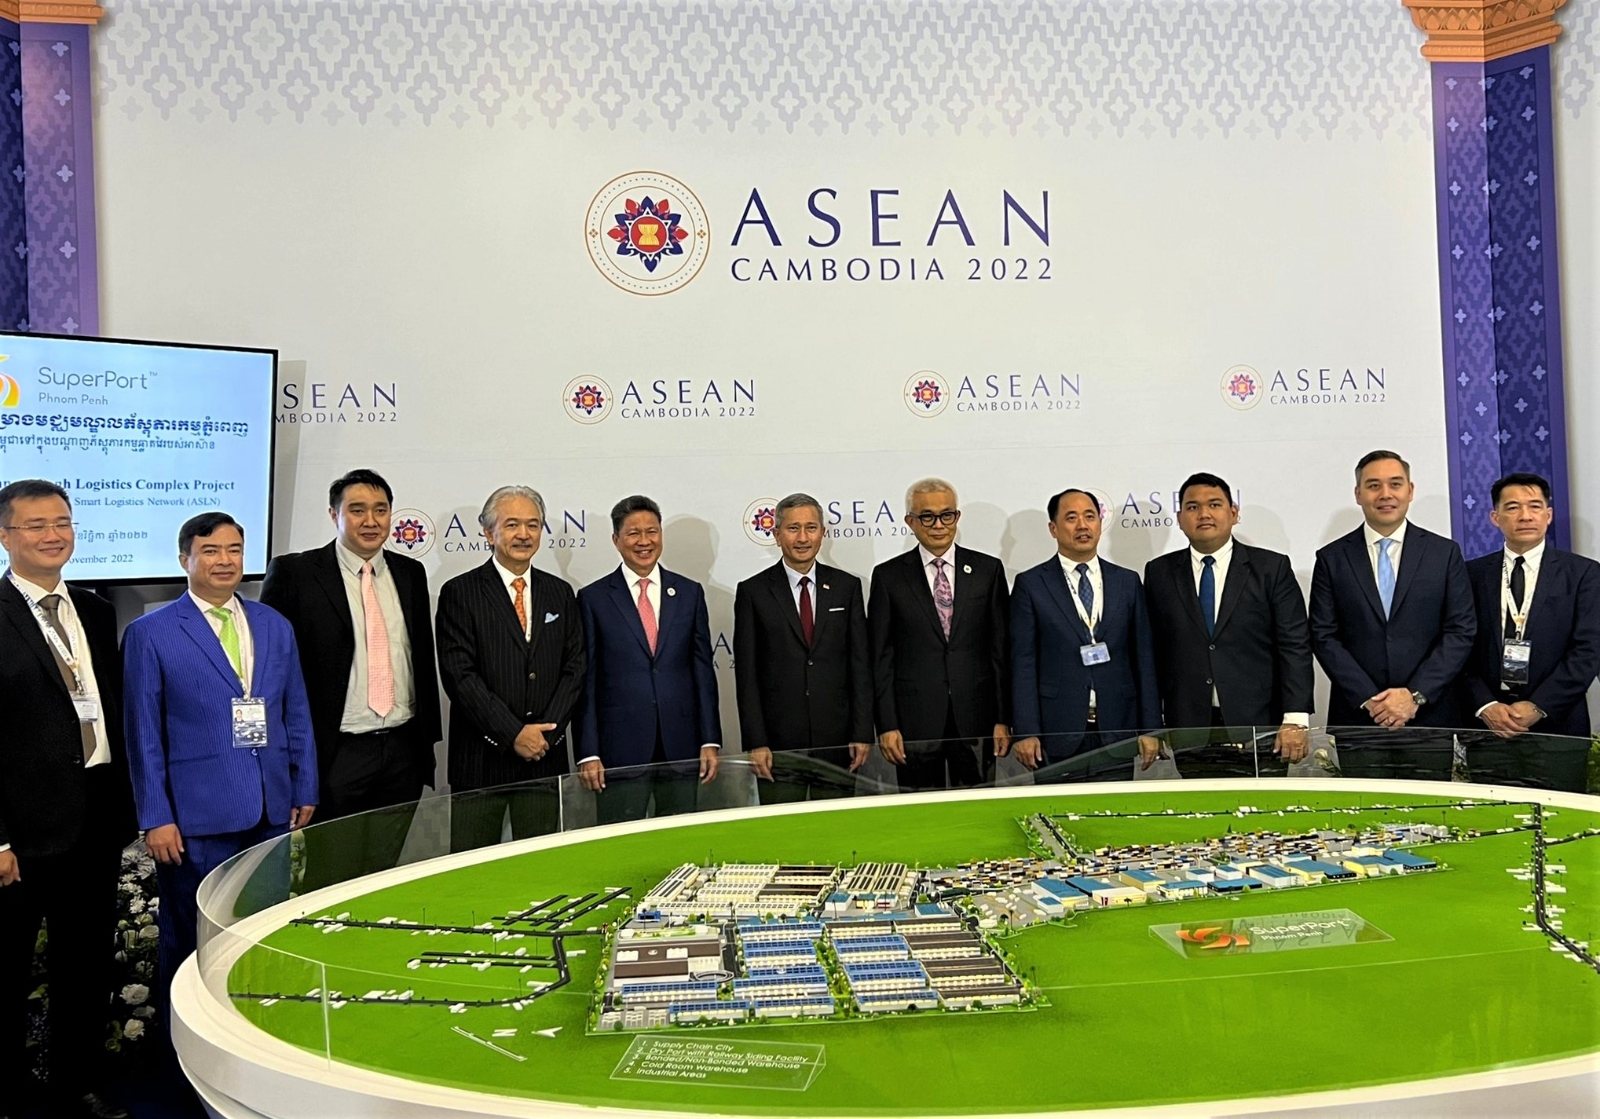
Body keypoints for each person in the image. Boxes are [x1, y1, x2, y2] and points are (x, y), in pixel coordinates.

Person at [123, 514, 317, 1021]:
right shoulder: (152, 633)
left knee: (260, 930)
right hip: (194, 820)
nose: (225, 560)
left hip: (270, 809)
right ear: (184, 558)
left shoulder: (274, 624)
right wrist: (154, 816)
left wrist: (305, 785)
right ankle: (184, 1051)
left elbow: (294, 710)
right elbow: (142, 734)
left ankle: (254, 1028)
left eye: (234, 549)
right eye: (211, 551)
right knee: (191, 941)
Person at [0, 481, 134, 1119]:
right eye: (34, 525)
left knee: (84, 967)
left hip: (95, 821)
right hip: (19, 837)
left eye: (62, 522)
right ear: (5, 535)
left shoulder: (97, 609)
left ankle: (75, 1083)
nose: (53, 535)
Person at [260, 469, 441, 881]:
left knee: (383, 873)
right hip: (334, 753)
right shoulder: (295, 573)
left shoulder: (410, 574)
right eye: (357, 510)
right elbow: (273, 670)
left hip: (401, 751)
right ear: (333, 515)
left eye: (380, 510)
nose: (371, 521)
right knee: (331, 876)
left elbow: (419, 659)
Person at [435, 486, 585, 850]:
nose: (523, 534)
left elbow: (575, 667)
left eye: (533, 525)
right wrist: (514, 733)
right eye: (512, 524)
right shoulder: (460, 592)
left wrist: (543, 735)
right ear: (488, 533)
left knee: (542, 871)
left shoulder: (560, 592)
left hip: (543, 761)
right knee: (473, 871)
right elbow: (459, 675)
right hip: (481, 760)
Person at [1309, 450, 1475, 776]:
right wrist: (1371, 700)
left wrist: (1415, 695)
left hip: (1429, 717)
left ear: (1410, 491)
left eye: (1395, 484)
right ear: (1358, 494)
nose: (1385, 494)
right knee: (1365, 822)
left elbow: (1460, 630)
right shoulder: (1332, 558)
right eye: (1373, 485)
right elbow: (1323, 635)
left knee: (1431, 817)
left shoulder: (1444, 553)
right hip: (1360, 718)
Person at [1143, 472, 1313, 761]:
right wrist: (1151, 726)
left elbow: (1294, 645)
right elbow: (1151, 653)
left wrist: (1296, 718)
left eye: (1214, 504)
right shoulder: (1159, 572)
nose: (1204, 513)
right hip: (1188, 728)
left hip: (1261, 727)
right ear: (1180, 517)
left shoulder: (1271, 568)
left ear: (1234, 513)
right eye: (1193, 507)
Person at [576, 496, 721, 823]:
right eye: (633, 533)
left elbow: (702, 672)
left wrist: (710, 738)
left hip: (682, 747)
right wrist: (589, 750)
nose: (645, 541)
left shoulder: (689, 593)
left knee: (681, 844)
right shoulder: (593, 599)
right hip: (619, 751)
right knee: (620, 846)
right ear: (616, 540)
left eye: (652, 532)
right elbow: (587, 681)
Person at [868, 478, 1011, 788]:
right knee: (921, 813)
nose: (938, 525)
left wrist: (1003, 718)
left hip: (977, 718)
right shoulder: (888, 577)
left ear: (957, 518)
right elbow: (881, 658)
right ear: (910, 521)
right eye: (927, 516)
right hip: (914, 722)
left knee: (977, 810)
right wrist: (888, 725)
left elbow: (1000, 651)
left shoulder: (989, 570)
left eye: (947, 515)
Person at [1462, 472, 1600, 791]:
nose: (1525, 515)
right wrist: (1486, 705)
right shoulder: (1470, 574)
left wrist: (1537, 707)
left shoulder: (1583, 575)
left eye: (1534, 506)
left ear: (1548, 516)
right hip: (1489, 730)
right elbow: (1459, 647)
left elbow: (1588, 652)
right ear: (1495, 518)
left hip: (1558, 730)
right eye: (1512, 507)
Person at [733, 493, 872, 802]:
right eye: (793, 528)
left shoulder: (847, 587)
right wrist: (756, 742)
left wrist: (862, 732)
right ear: (776, 534)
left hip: (838, 742)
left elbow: (859, 666)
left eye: (811, 528)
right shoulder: (753, 592)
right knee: (783, 837)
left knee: (836, 833)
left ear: (823, 533)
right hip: (779, 745)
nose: (803, 537)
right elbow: (747, 675)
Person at [1010, 488, 1161, 769]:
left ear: (1100, 523)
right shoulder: (1031, 585)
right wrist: (1026, 731)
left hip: (1118, 730)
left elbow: (1144, 658)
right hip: (1055, 733)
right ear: (1053, 528)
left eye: (1090, 516)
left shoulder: (1127, 582)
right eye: (1071, 518)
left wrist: (1151, 728)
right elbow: (1023, 663)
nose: (1082, 525)